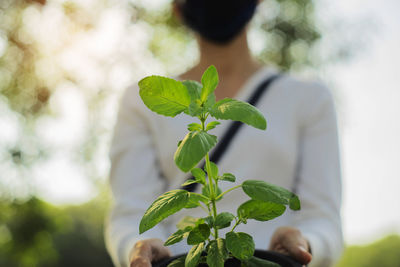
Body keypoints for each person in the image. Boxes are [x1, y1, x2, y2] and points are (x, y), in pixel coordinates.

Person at [105, 0, 343, 266]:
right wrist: (137, 248)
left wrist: (307, 243)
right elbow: (131, 213)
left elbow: (323, 219)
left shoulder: (309, 98)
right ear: (177, 7)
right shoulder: (140, 102)